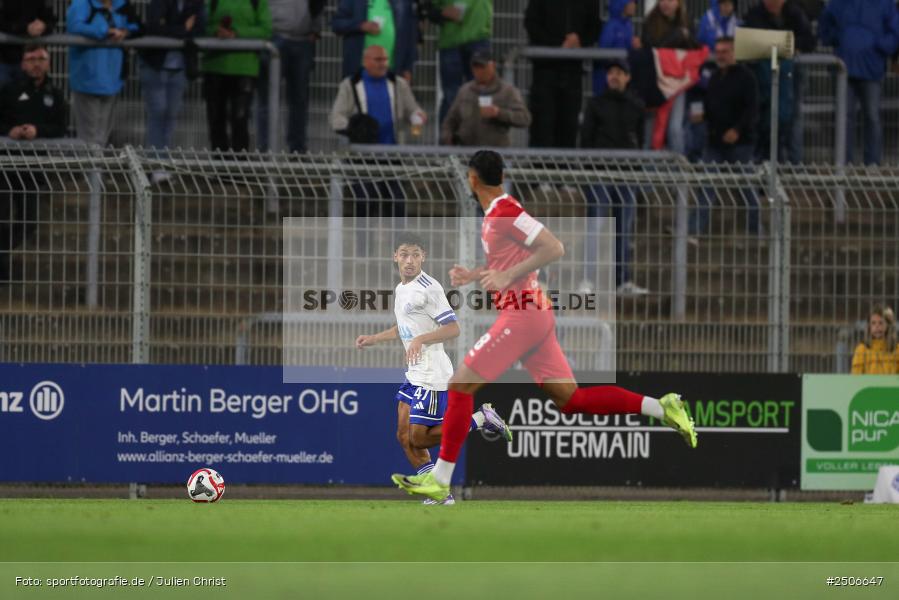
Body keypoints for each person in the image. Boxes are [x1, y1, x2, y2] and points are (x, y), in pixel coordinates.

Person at [391, 150, 698, 502]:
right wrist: (474, 275)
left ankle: (440, 479)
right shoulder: (495, 216)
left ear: (472, 179)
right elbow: (511, 265)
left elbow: (554, 247)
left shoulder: (506, 211)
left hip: (523, 316)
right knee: (573, 399)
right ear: (501, 175)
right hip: (533, 316)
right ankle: (662, 407)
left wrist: (506, 274)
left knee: (460, 385)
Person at [355, 234, 513, 505]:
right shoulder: (401, 288)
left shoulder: (430, 288)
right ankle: (440, 495)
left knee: (419, 437)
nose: (409, 260)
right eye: (404, 254)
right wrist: (374, 339)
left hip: (432, 373)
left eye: (415, 254)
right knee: (404, 436)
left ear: (423, 257)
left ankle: (481, 419)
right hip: (414, 373)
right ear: (395, 256)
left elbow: (453, 327)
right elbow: (406, 328)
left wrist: (420, 340)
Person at [579, 58, 647, 295]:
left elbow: (640, 140)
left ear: (628, 77)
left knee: (624, 229)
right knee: (595, 226)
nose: (614, 76)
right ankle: (588, 279)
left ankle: (622, 280)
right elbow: (586, 138)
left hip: (626, 174)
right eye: (611, 72)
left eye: (620, 72)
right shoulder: (596, 104)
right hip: (599, 172)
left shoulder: (636, 106)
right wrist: (588, 170)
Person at [0, 44, 67, 283]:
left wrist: (38, 131)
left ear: (49, 63)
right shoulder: (9, 91)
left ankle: (2, 256)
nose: (36, 63)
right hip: (7, 166)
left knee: (28, 221)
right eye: (31, 59)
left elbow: (62, 127)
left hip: (35, 167)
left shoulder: (55, 94)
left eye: (41, 58)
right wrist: (11, 131)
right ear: (22, 64)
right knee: (2, 216)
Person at [689, 37, 760, 238]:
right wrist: (702, 116)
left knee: (747, 189)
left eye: (725, 51)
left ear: (735, 53)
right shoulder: (714, 78)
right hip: (715, 143)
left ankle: (755, 232)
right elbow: (712, 107)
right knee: (706, 186)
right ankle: (694, 230)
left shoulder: (747, 77)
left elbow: (752, 109)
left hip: (741, 143)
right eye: (718, 51)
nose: (720, 55)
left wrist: (737, 130)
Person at [819, 0, 899, 166]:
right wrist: (839, 39)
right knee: (845, 118)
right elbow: (825, 27)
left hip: (871, 70)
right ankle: (844, 163)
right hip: (844, 69)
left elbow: (894, 33)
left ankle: (872, 165)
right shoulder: (839, 4)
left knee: (872, 117)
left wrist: (878, 47)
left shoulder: (884, 4)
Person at [743, 0, 816, 164]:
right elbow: (747, 40)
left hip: (790, 76)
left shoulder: (795, 13)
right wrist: (786, 45)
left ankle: (793, 163)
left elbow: (810, 41)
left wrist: (777, 44)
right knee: (763, 117)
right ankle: (763, 160)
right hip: (762, 80)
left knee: (791, 116)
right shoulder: (755, 14)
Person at [524, 0, 601, 148]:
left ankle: (564, 168)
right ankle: (539, 167)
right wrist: (559, 45)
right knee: (542, 125)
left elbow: (595, 27)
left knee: (569, 125)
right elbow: (531, 24)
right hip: (545, 70)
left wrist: (580, 41)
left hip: (573, 71)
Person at [66, 0, 141, 147]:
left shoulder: (121, 5)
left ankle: (97, 167)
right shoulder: (82, 4)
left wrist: (126, 32)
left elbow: (138, 26)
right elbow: (74, 26)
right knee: (89, 136)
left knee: (102, 136)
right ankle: (92, 169)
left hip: (112, 79)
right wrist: (105, 31)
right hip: (87, 79)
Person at [201, 0, 272, 153]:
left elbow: (266, 30)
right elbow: (201, 26)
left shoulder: (257, 2)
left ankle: (239, 169)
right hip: (215, 67)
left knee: (240, 119)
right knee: (216, 119)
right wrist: (216, 31)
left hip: (244, 68)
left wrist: (236, 33)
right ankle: (220, 168)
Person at [140, 0, 206, 160]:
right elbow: (154, 27)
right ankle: (156, 163)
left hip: (180, 67)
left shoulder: (196, 3)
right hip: (155, 65)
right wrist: (183, 29)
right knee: (158, 112)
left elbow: (199, 29)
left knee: (171, 114)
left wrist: (172, 29)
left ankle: (162, 160)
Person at [256, 0, 325, 153]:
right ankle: (265, 149)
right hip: (274, 38)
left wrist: (315, 29)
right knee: (266, 99)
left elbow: (318, 5)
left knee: (299, 100)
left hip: (303, 40)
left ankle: (297, 150)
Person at [330, 45, 426, 145]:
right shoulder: (349, 85)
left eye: (385, 60)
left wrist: (418, 115)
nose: (383, 64)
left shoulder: (399, 84)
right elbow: (336, 117)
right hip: (360, 153)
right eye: (378, 60)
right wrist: (355, 130)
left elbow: (412, 110)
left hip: (394, 153)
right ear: (365, 61)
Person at [419, 0, 492, 127]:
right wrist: (442, 13)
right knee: (452, 96)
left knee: (481, 93)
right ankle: (448, 141)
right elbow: (428, 8)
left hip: (475, 40)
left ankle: (481, 140)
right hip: (452, 43)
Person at [440, 49, 531, 147]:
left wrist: (499, 113)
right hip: (467, 153)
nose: (479, 71)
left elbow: (524, 118)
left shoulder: (507, 91)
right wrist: (447, 137)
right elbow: (450, 120)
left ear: (492, 66)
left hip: (497, 154)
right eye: (475, 67)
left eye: (482, 66)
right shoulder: (465, 91)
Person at [332, 0, 418, 81]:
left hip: (393, 71)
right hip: (358, 71)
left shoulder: (404, 2)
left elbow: (410, 34)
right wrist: (361, 26)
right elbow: (337, 24)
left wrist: (407, 68)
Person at [0, 1, 55, 90]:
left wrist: (43, 26)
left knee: (30, 98)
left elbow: (50, 20)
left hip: (31, 59)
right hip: (4, 59)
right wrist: (25, 28)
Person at [592, 0, 638, 97]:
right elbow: (602, 55)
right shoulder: (611, 26)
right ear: (621, 5)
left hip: (621, 81)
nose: (634, 5)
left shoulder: (628, 25)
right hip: (607, 84)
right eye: (631, 2)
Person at [852, 305, 899, 374]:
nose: (877, 326)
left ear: (887, 325)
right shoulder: (861, 349)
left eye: (881, 323)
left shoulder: (897, 349)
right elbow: (856, 375)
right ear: (869, 327)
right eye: (873, 323)